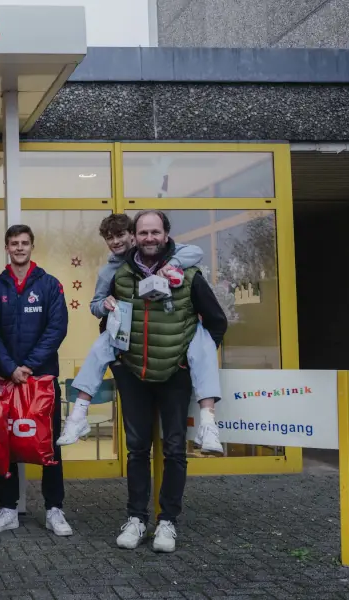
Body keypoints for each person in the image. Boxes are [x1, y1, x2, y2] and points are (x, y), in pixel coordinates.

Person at [106, 210, 227, 553]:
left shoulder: (188, 274)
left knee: (175, 450)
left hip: (175, 376)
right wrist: (118, 360)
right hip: (134, 375)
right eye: (142, 232)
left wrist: (194, 360)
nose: (148, 238)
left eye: (154, 232)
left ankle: (167, 522)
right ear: (134, 235)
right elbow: (110, 323)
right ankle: (136, 518)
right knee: (137, 450)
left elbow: (216, 322)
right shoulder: (122, 274)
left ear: (165, 234)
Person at [57, 213, 224, 455]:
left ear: (132, 236)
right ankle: (78, 415)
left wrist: (172, 265)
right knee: (99, 348)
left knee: (204, 345)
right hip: (131, 349)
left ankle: (208, 425)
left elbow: (196, 253)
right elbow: (96, 305)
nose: (116, 242)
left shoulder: (178, 260)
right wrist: (105, 305)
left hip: (173, 358)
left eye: (121, 235)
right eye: (109, 238)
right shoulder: (111, 271)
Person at [0, 225, 73, 537]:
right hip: (7, 381)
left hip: (42, 381)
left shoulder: (50, 285)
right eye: (13, 243)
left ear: (32, 246)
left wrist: (29, 366)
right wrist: (10, 369)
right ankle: (8, 509)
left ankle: (54, 510)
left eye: (24, 243)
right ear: (7, 248)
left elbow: (57, 328)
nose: (19, 248)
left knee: (48, 446)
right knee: (5, 446)